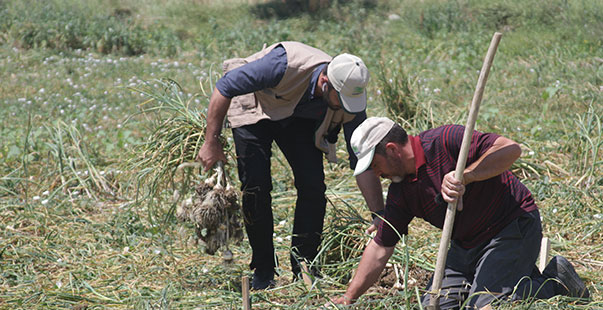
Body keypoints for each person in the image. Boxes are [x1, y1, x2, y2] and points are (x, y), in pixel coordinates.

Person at [331, 117, 590, 309]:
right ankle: (510, 276)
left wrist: (466, 175)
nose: (377, 174)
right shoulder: (401, 192)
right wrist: (349, 296)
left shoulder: (445, 140)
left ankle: (556, 281)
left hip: (510, 227)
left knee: (483, 305)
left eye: (375, 165)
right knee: (436, 305)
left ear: (391, 149)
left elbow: (511, 149)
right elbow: (380, 247)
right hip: (465, 246)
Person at [197, 42, 383, 290]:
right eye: (342, 99)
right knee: (256, 187)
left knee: (313, 186)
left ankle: (304, 264)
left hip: (297, 116)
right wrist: (211, 142)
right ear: (325, 82)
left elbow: (362, 162)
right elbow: (225, 87)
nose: (347, 105)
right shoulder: (282, 65)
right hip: (256, 105)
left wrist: (379, 216)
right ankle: (263, 269)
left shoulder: (348, 99)